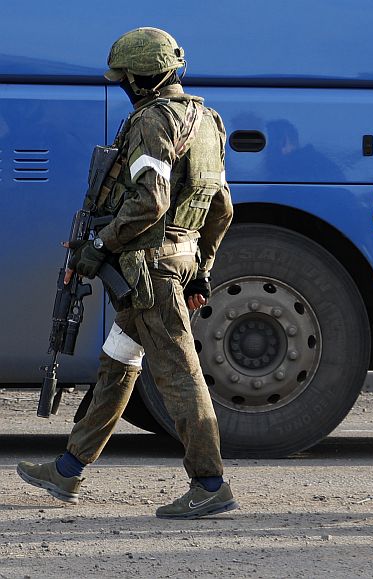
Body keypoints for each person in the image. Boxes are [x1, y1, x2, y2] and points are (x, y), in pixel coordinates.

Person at [17, 27, 237, 520]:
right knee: (118, 364)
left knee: (179, 376)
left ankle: (210, 484)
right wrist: (201, 268)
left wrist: (99, 244)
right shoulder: (208, 120)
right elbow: (221, 206)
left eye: (125, 78)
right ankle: (69, 469)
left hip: (149, 272)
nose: (122, 86)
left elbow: (150, 201)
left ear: (140, 80)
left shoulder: (152, 121)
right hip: (173, 264)